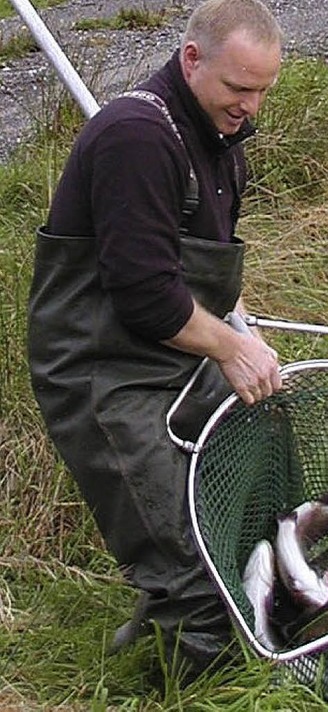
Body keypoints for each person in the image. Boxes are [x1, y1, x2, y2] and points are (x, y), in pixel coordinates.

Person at [27, 0, 283, 680]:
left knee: (254, 475)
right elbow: (144, 295)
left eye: (262, 91)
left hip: (167, 357)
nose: (250, 107)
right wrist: (231, 349)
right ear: (191, 59)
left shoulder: (219, 140)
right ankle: (190, 679)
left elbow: (198, 269)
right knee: (187, 553)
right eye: (239, 89)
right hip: (100, 369)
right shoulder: (138, 137)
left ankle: (162, 602)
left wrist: (237, 341)